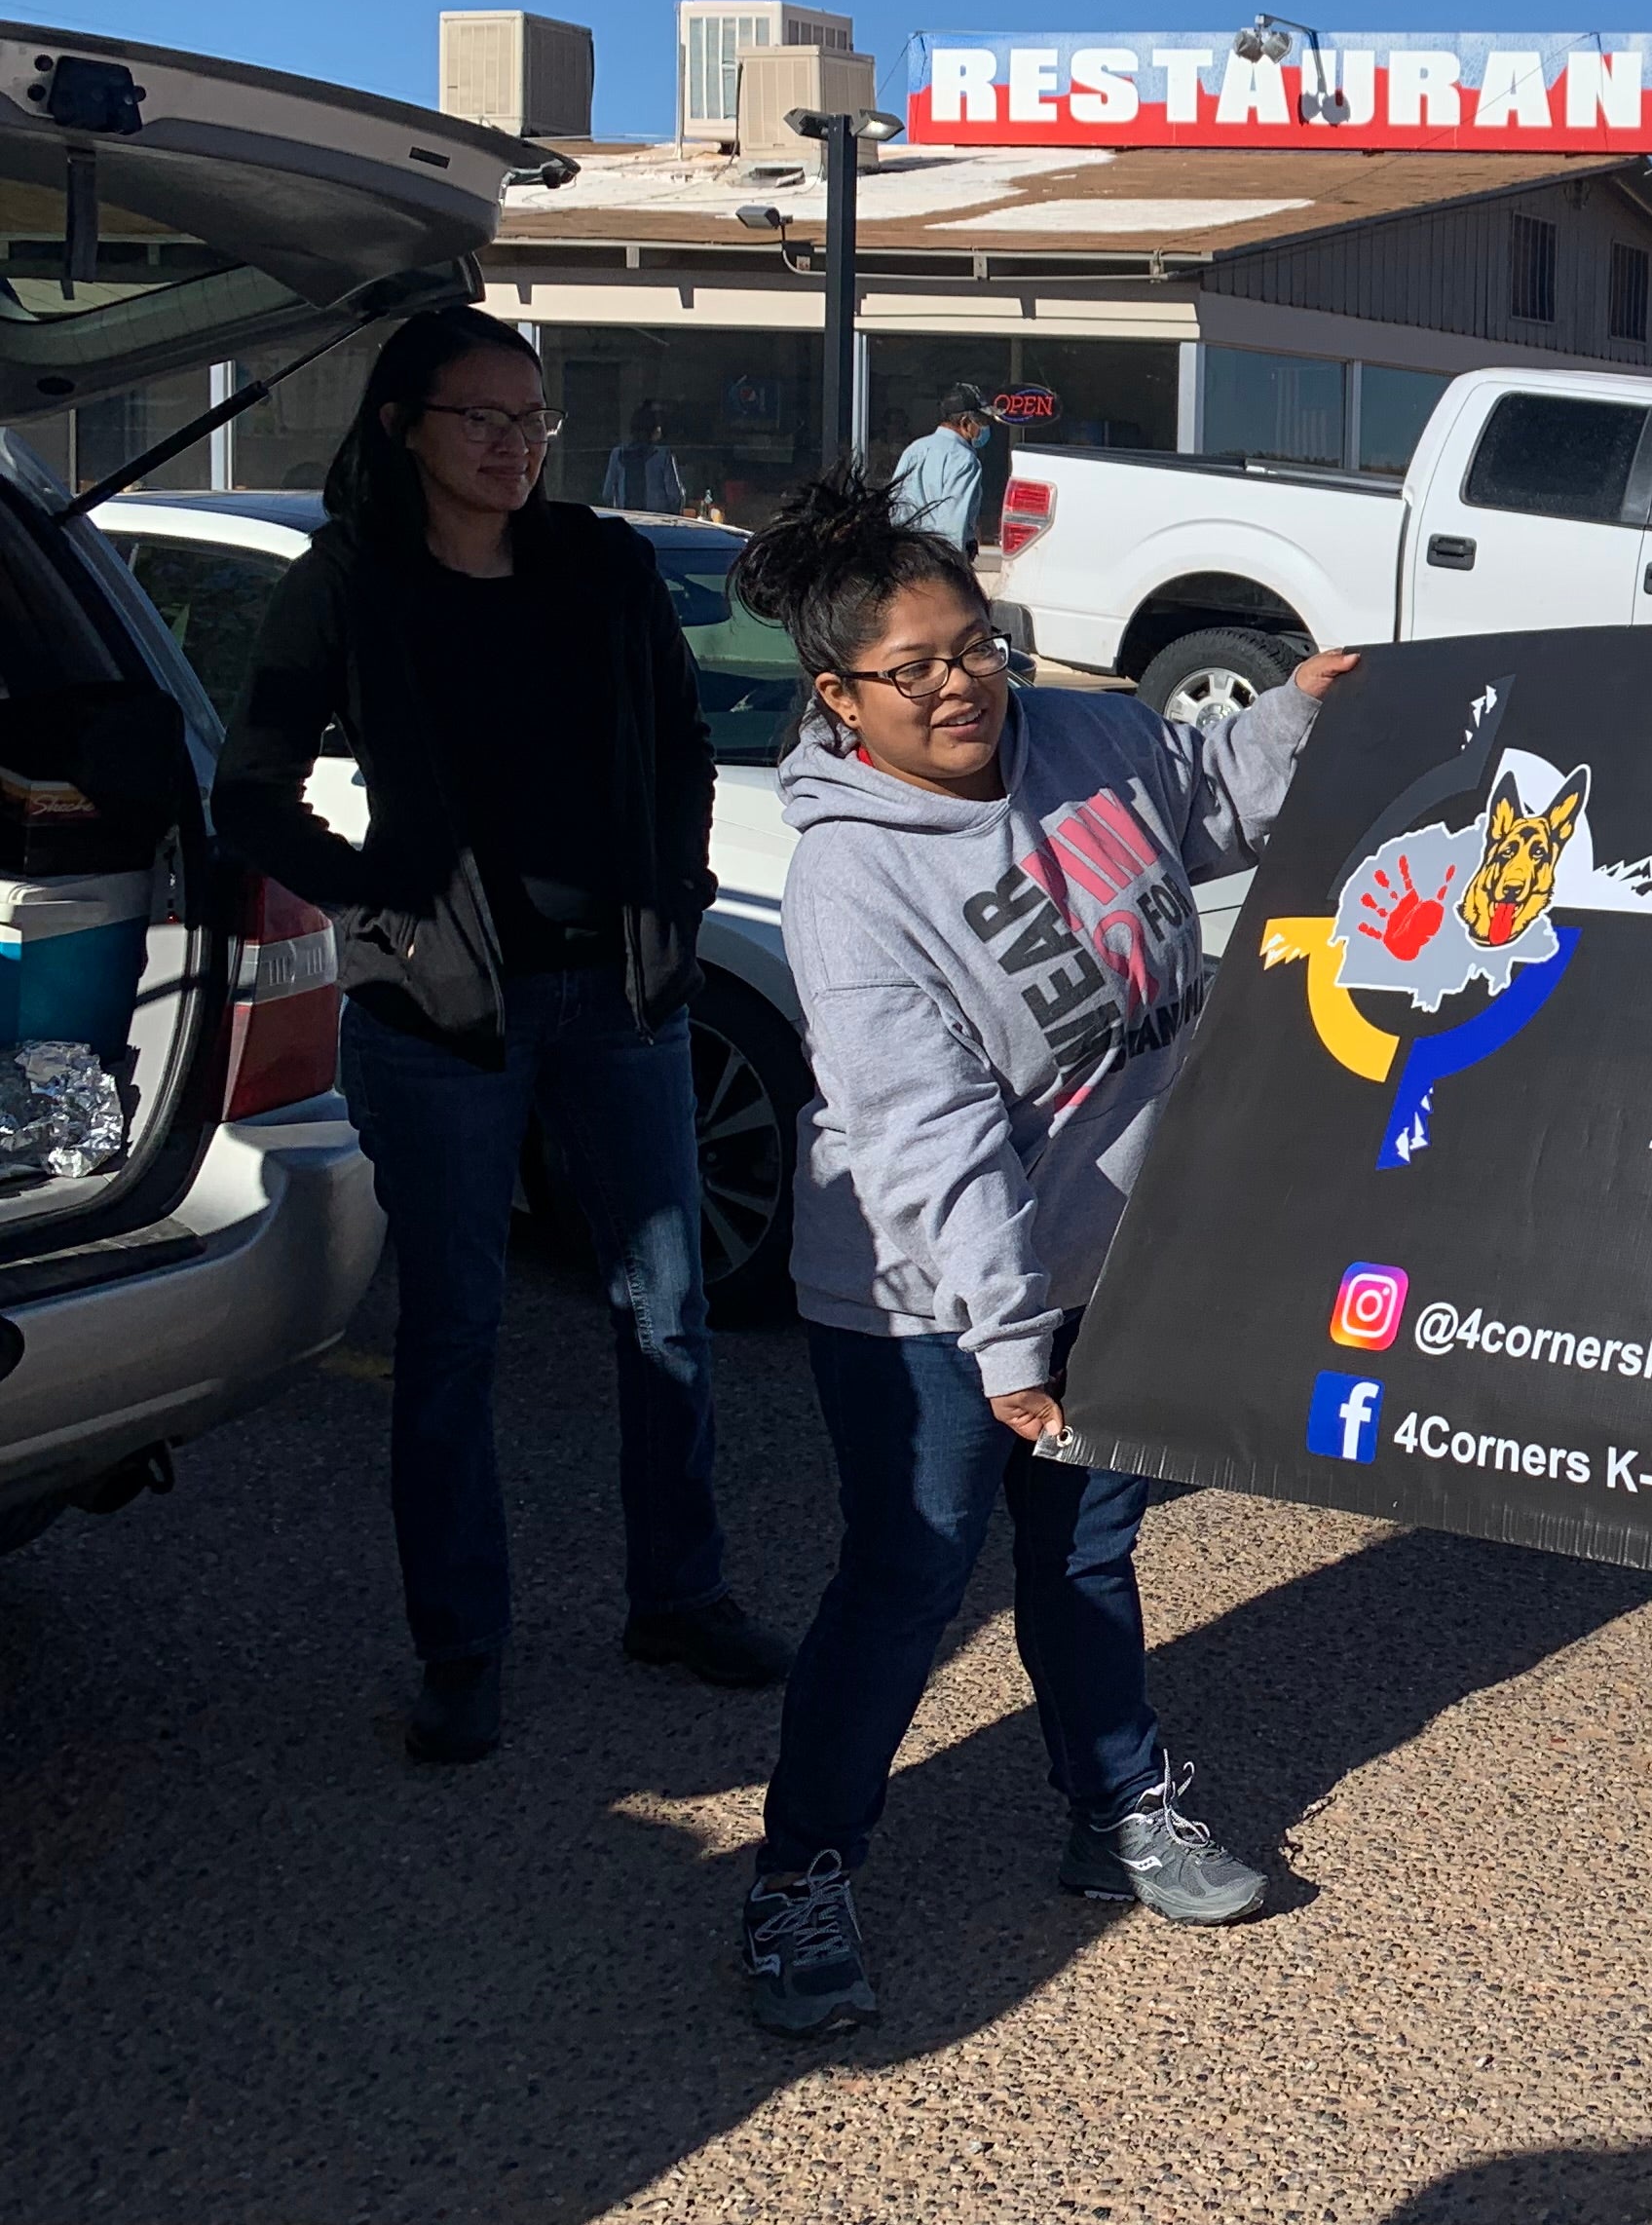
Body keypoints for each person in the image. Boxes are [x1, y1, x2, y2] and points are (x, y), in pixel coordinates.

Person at [725, 459, 1357, 2037]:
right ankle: (799, 1868)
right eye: (915, 667)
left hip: (1105, 1252)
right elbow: (928, 1137)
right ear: (839, 693)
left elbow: (1206, 791)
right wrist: (1007, 1346)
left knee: (1083, 1547)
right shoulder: (855, 878)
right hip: (926, 1296)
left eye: (977, 646)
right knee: (909, 1569)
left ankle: (1115, 1804)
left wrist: (1299, 710)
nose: (961, 687)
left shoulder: (1080, 734)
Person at [215, 308, 787, 1765]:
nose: (517, 446)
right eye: (484, 419)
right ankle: (461, 1646)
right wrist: (378, 907)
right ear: (405, 421)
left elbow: (676, 750)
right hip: (441, 1018)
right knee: (455, 1337)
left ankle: (681, 1594)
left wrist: (678, 894)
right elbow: (254, 792)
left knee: (667, 1314)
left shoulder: (600, 564)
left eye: (535, 420)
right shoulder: (350, 579)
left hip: (622, 1001)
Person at [885, 383, 994, 548]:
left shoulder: (915, 449)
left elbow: (896, 507)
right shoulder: (964, 460)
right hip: (940, 560)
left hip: (906, 553)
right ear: (965, 422)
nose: (984, 428)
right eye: (981, 422)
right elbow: (953, 526)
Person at [600, 400, 690, 516]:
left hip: (628, 523)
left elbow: (607, 494)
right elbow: (675, 496)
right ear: (655, 430)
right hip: (657, 524)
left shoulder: (617, 455)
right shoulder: (663, 455)